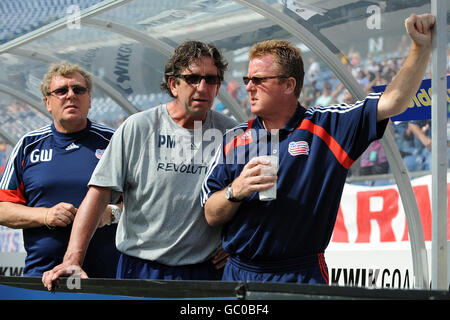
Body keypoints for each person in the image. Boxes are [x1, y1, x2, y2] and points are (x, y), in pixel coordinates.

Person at [201, 13, 435, 284]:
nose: (249, 87)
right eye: (247, 79)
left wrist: (419, 47)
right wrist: (236, 190)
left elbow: (393, 102)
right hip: (239, 273)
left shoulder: (328, 126)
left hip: (300, 274)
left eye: (259, 79)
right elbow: (210, 214)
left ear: (289, 85)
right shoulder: (234, 138)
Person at [42, 41, 237, 289]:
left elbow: (245, 196)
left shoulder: (230, 133)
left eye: (211, 79)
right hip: (141, 268)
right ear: (173, 84)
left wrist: (235, 245)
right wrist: (72, 259)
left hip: (203, 271)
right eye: (193, 78)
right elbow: (99, 193)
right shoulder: (139, 127)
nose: (202, 87)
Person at [0, 61, 120, 277]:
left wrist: (112, 213)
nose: (71, 95)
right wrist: (45, 215)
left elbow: (144, 201)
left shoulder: (115, 142)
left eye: (78, 89)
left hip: (106, 277)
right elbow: (3, 209)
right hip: (41, 277)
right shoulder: (28, 145)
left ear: (89, 100)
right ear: (48, 102)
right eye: (61, 91)